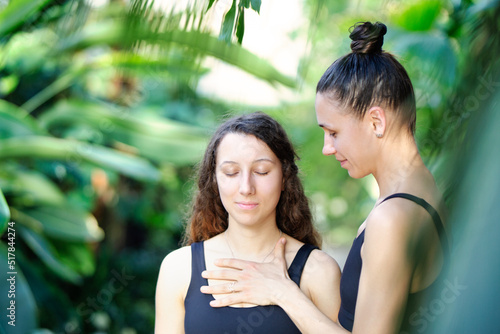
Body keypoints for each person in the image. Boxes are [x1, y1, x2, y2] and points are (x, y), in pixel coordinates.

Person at [200, 21, 450, 334]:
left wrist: (283, 291)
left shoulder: (393, 217)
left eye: (333, 132)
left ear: (376, 121)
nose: (327, 148)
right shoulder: (426, 193)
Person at [154, 112, 341, 333]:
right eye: (231, 172)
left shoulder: (318, 270)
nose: (246, 188)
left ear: (285, 177)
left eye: (261, 171)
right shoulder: (178, 268)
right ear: (214, 181)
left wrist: (284, 292)